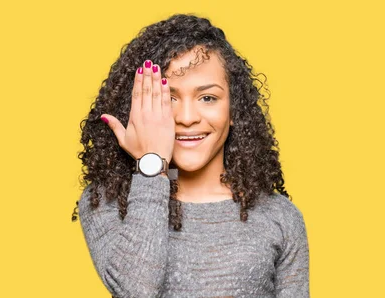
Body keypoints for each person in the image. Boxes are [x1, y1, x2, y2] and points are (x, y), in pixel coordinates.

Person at [74, 13, 309, 297]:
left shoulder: (280, 217)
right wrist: (152, 163)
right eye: (168, 98)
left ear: (234, 110)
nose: (186, 118)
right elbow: (136, 291)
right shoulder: (108, 203)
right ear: (138, 107)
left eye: (207, 98)